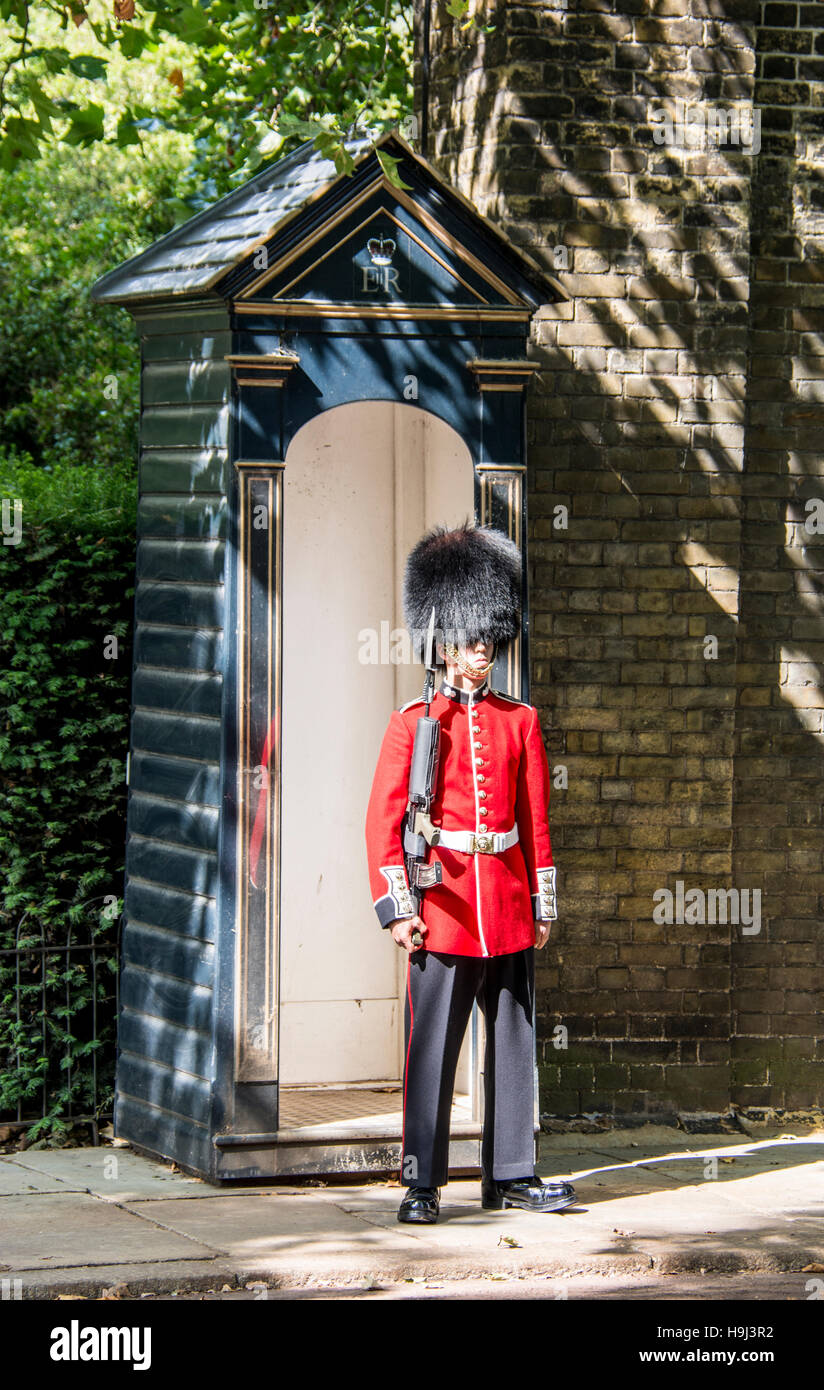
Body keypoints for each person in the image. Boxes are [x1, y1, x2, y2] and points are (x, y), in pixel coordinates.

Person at [365, 522, 577, 1223]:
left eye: (488, 636)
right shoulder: (412, 723)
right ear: (443, 640)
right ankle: (421, 1180)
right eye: (468, 637)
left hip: (509, 904)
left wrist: (543, 904)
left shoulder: (520, 721)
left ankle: (512, 1174)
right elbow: (382, 824)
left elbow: (535, 821)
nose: (480, 650)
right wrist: (399, 908)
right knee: (433, 1047)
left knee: (513, 1046)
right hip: (446, 906)